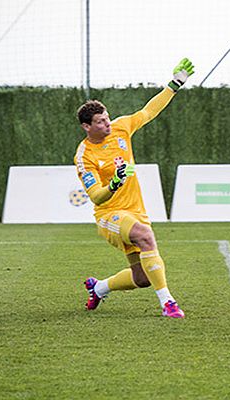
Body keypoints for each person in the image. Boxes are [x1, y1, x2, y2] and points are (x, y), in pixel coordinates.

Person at [74, 58, 194, 318]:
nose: (107, 124)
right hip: (109, 215)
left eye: (107, 118)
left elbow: (148, 111)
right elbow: (96, 197)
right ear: (86, 126)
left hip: (135, 211)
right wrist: (114, 183)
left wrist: (174, 85)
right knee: (145, 235)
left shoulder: (121, 128)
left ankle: (99, 288)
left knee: (142, 278)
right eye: (100, 122)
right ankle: (168, 303)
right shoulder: (84, 156)